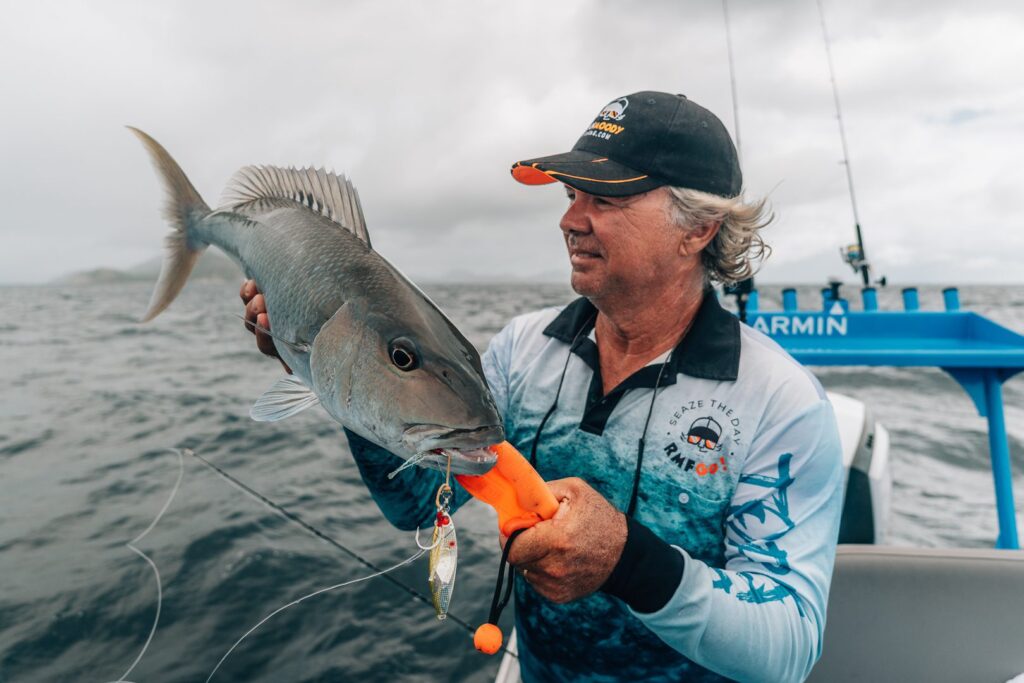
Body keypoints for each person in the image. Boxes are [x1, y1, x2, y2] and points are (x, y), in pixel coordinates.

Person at [241, 91, 843, 683]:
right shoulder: (521, 351)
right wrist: (330, 369)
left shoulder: (780, 401)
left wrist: (627, 562)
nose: (570, 220)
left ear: (699, 229)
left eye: (605, 197)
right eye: (571, 194)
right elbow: (415, 505)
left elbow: (788, 648)